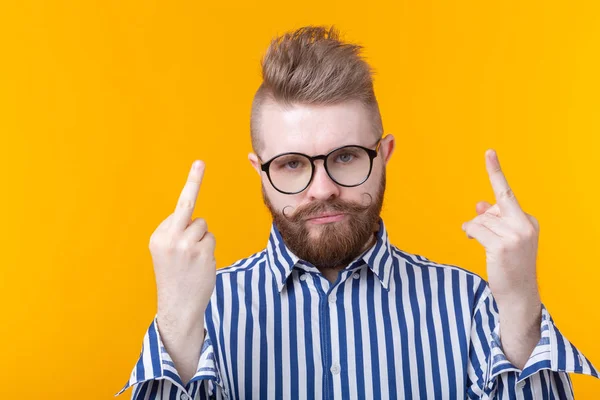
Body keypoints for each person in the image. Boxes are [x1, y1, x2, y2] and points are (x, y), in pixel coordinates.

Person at [117, 26, 598, 399]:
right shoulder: (206, 310)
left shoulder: (471, 305)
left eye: (345, 156)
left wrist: (519, 305)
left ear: (384, 153)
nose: (322, 190)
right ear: (260, 170)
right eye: (291, 164)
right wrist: (177, 322)